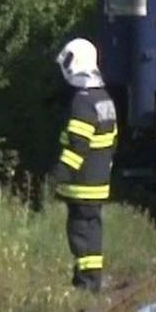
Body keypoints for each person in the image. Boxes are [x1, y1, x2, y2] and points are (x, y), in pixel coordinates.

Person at [51, 37, 117, 292]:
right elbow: (111, 141)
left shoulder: (83, 102)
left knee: (79, 233)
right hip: (99, 182)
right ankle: (93, 280)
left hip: (81, 184)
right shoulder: (104, 99)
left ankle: (85, 284)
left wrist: (59, 175)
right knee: (93, 231)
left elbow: (78, 145)